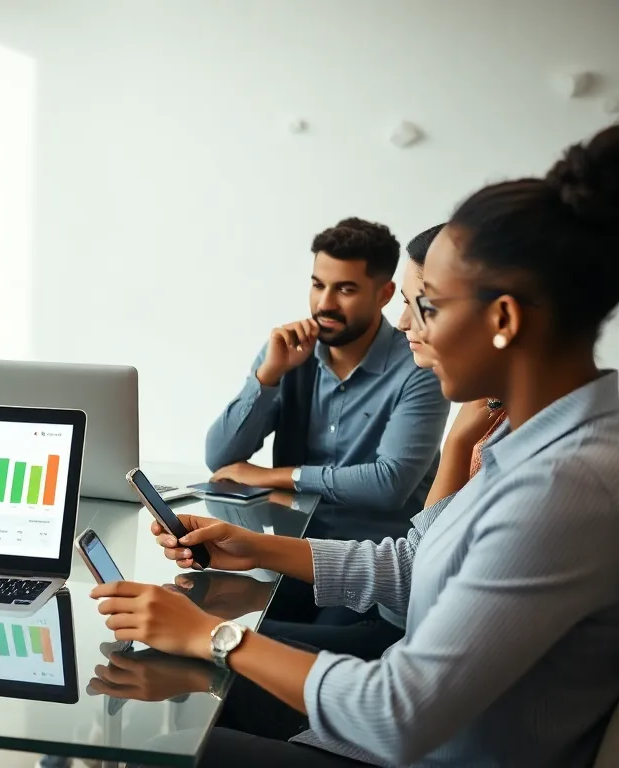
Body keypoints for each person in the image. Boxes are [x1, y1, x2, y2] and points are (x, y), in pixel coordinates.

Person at [97, 124, 619, 766]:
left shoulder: (565, 487)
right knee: (157, 698)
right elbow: (414, 565)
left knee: (154, 747)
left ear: (503, 319)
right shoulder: (530, 436)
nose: (408, 325)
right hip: (383, 732)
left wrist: (217, 638)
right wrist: (253, 546)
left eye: (427, 306)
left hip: (407, 750)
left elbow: (399, 713)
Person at [204, 217, 450, 546]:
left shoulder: (419, 363)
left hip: (377, 560)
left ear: (385, 294)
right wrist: (267, 377)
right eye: (318, 285)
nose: (324, 304)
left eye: (345, 290)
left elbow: (389, 484)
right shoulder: (287, 352)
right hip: (290, 552)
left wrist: (272, 477)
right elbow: (220, 459)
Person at [395, 222, 507, 508]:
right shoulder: (484, 403)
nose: (403, 323)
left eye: (424, 306)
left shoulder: (530, 436)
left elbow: (428, 538)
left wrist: (457, 443)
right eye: (407, 303)